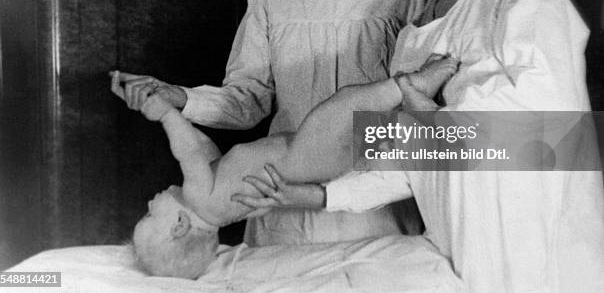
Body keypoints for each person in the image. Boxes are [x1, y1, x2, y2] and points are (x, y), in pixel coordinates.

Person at [234, 0, 604, 292]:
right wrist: (316, 195)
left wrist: (419, 106)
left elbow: (547, 136)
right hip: (454, 249)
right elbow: (409, 160)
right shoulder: (415, 37)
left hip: (537, 250)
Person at [112, 0, 418, 246]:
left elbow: (423, 107)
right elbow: (247, 101)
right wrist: (179, 98)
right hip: (278, 198)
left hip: (371, 203)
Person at [123, 57, 458, 278]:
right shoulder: (199, 197)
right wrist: (168, 115)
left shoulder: (213, 204)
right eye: (149, 215)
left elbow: (202, 149)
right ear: (180, 226)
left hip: (312, 163)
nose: (149, 205)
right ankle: (413, 85)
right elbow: (189, 154)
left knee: (370, 128)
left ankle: (418, 107)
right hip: (304, 154)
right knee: (347, 104)